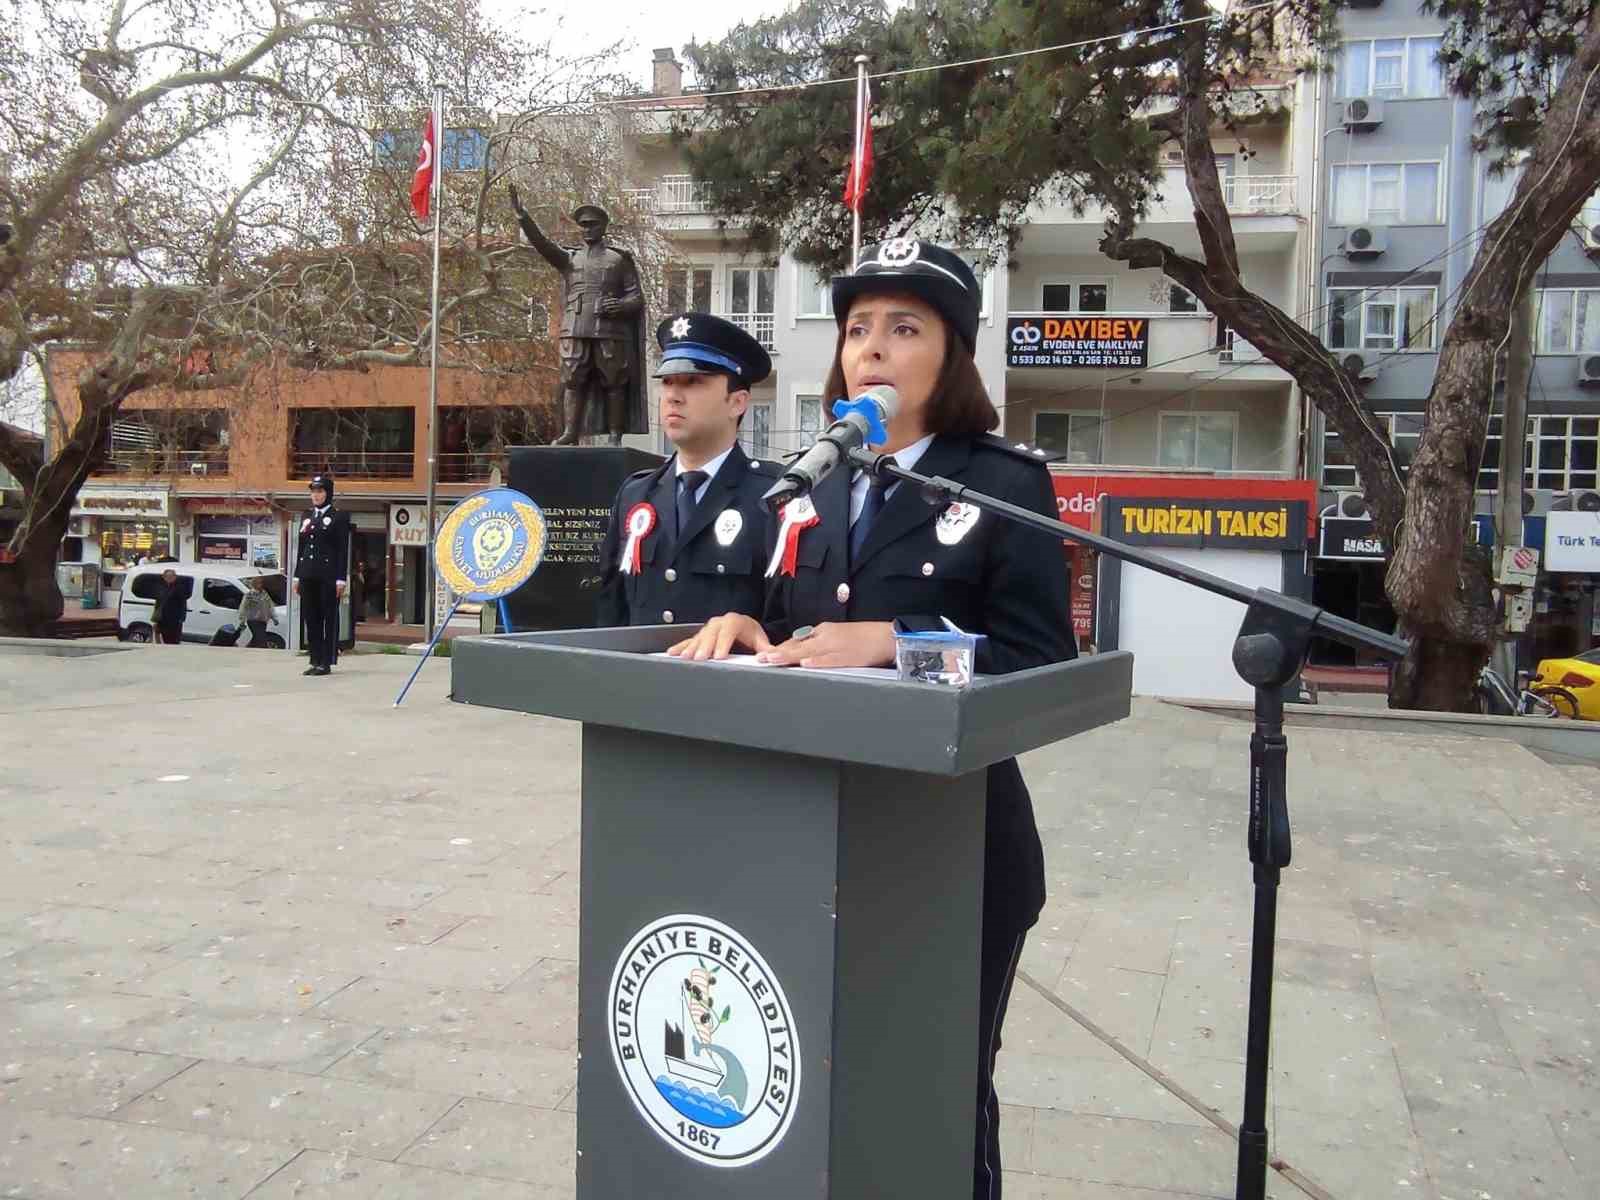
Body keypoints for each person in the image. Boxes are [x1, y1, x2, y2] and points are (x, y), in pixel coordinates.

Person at [667, 239, 1075, 1200]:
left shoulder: (1004, 483)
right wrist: (741, 625)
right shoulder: (817, 482)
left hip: (956, 846)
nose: (874, 351)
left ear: (952, 354)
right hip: (815, 837)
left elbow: (1039, 663)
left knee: (939, 1091)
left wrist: (902, 642)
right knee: (821, 1086)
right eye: (858, 331)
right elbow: (791, 630)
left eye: (904, 328)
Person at [595, 312, 781, 627]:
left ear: (737, 402)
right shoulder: (637, 494)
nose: (673, 396)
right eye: (667, 381)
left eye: (693, 381)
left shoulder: (774, 495)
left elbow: (787, 618)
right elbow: (612, 612)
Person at [508, 186, 648, 445]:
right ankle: (570, 433)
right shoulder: (568, 258)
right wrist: (522, 217)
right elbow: (542, 244)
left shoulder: (618, 259)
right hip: (575, 327)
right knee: (572, 381)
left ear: (603, 226)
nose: (586, 229)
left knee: (614, 382)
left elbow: (636, 298)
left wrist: (620, 305)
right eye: (583, 225)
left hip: (610, 330)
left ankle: (615, 435)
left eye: (592, 224)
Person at [293, 473, 350, 676]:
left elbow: (343, 550)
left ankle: (326, 661)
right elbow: (302, 548)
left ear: (328, 493)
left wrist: (341, 579)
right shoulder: (307, 516)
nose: (316, 496)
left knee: (328, 618)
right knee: (311, 618)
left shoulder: (339, 516)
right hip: (308, 574)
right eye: (313, 492)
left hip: (328, 575)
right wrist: (297, 576)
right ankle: (315, 659)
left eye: (320, 491)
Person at [238, 576, 278, 647]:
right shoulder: (249, 595)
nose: (261, 585)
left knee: (257, 638)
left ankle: (247, 649)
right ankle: (263, 651)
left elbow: (270, 606)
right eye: (259, 583)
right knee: (261, 638)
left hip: (263, 620)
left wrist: (274, 618)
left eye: (262, 583)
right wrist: (242, 620)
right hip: (253, 620)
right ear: (255, 584)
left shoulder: (264, 593)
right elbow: (243, 607)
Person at [153, 568, 187, 644]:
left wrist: (182, 618)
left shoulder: (179, 588)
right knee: (163, 639)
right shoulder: (162, 588)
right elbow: (158, 604)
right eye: (167, 577)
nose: (169, 579)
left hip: (174, 620)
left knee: (173, 641)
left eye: (171, 577)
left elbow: (183, 604)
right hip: (162, 620)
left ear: (175, 577)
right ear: (164, 577)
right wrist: (155, 619)